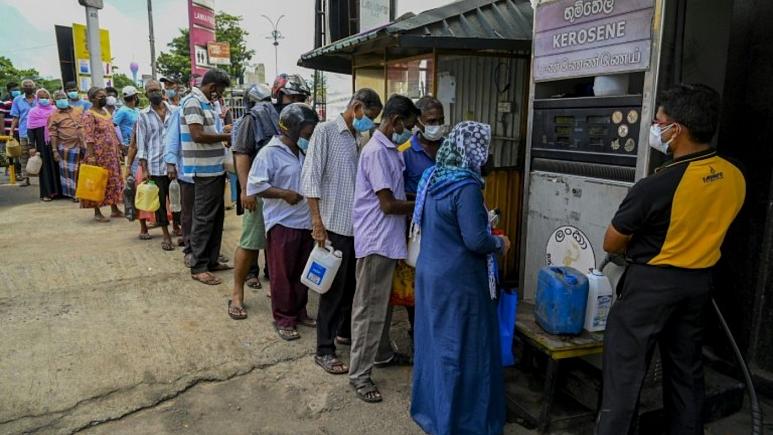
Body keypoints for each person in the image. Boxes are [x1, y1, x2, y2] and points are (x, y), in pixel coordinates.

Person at [596, 84, 746, 435]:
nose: (655, 126)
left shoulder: (658, 185)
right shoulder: (734, 175)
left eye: (659, 121)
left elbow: (611, 240)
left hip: (650, 287)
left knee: (625, 376)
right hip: (698, 286)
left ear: (675, 129)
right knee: (686, 374)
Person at [410, 121, 509, 435]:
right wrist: (500, 243)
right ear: (473, 149)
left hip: (430, 274)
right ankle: (460, 421)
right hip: (458, 282)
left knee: (435, 345)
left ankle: (432, 411)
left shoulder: (433, 176)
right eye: (485, 147)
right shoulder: (466, 186)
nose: (488, 155)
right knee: (464, 349)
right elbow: (476, 240)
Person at [301, 88, 383, 375]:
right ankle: (324, 349)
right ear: (357, 107)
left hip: (356, 226)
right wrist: (317, 224)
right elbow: (310, 179)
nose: (369, 123)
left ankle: (341, 333)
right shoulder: (325, 132)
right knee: (332, 291)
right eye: (368, 117)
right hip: (333, 225)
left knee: (351, 288)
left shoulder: (360, 138)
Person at [348, 94, 418, 402]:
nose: (411, 132)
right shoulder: (377, 151)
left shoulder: (389, 150)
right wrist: (422, 205)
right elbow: (388, 204)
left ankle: (382, 354)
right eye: (410, 125)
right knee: (370, 310)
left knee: (382, 306)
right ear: (396, 121)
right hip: (376, 240)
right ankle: (359, 374)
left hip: (386, 241)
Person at [230, 77, 310, 315]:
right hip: (262, 190)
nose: (296, 102)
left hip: (292, 196)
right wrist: (246, 190)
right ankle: (236, 294)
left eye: (300, 98)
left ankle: (279, 291)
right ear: (278, 95)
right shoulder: (257, 116)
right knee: (251, 242)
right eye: (291, 97)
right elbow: (242, 153)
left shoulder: (302, 118)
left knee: (281, 249)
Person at [245, 104, 319, 336]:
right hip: (282, 223)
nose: (310, 136)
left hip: (306, 222)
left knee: (302, 272)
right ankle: (284, 319)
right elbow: (255, 186)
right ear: (293, 129)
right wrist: (284, 194)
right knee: (282, 274)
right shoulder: (270, 152)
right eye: (307, 132)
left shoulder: (304, 151)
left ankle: (299, 312)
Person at [389, 95, 447, 349]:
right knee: (414, 284)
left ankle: (435, 332)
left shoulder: (450, 149)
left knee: (440, 284)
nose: (437, 125)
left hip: (445, 230)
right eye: (431, 120)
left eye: (441, 120)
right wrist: (425, 197)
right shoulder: (403, 154)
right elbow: (396, 194)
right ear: (419, 123)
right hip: (415, 230)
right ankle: (417, 333)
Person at [181, 68, 233, 286]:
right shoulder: (193, 102)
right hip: (204, 170)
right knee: (203, 219)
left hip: (215, 168)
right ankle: (199, 266)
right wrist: (226, 135)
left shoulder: (207, 103)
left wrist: (224, 132)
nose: (220, 95)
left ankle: (211, 260)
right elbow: (198, 135)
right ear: (212, 87)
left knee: (216, 217)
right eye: (219, 91)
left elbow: (208, 131)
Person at [136, 80, 175, 250]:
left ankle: (178, 229)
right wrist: (144, 169)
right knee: (159, 202)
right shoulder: (143, 115)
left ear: (162, 91)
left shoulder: (175, 111)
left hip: (175, 165)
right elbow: (141, 144)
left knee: (177, 200)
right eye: (150, 91)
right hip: (155, 165)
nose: (154, 93)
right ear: (146, 94)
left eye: (156, 90)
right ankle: (166, 235)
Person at [80, 87, 124, 222]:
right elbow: (89, 136)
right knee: (97, 182)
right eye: (101, 96)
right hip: (98, 154)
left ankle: (114, 208)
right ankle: (97, 211)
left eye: (105, 96)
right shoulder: (89, 115)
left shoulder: (105, 112)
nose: (104, 98)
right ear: (92, 99)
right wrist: (91, 155)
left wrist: (118, 147)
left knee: (113, 181)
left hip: (111, 154)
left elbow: (112, 131)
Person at [49, 90, 84, 200]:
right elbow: (53, 134)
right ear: (55, 102)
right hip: (66, 146)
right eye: (58, 98)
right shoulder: (54, 116)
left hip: (82, 145)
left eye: (62, 97)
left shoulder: (78, 110)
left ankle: (84, 192)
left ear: (67, 98)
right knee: (69, 172)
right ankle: (74, 195)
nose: (61, 99)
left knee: (81, 170)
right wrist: (54, 150)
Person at [26, 88, 60, 201]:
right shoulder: (33, 112)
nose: (44, 99)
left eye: (46, 97)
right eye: (41, 97)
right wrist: (31, 146)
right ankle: (47, 193)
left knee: (58, 166)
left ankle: (59, 192)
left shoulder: (55, 110)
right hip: (42, 144)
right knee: (45, 168)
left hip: (56, 143)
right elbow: (30, 130)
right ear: (37, 98)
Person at [10, 79, 37, 186]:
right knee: (24, 155)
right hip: (24, 132)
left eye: (30, 85)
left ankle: (43, 180)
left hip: (39, 132)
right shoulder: (17, 100)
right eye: (26, 85)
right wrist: (11, 130)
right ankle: (26, 178)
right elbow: (15, 117)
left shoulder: (39, 98)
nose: (28, 87)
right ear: (22, 88)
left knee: (40, 154)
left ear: (34, 87)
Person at [2, 82, 20, 180]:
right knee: (10, 153)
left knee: (18, 153)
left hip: (20, 131)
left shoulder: (21, 101)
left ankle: (18, 172)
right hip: (9, 132)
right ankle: (11, 172)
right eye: (14, 90)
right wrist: (3, 133)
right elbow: (1, 118)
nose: (17, 91)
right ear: (9, 91)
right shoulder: (5, 103)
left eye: (17, 89)